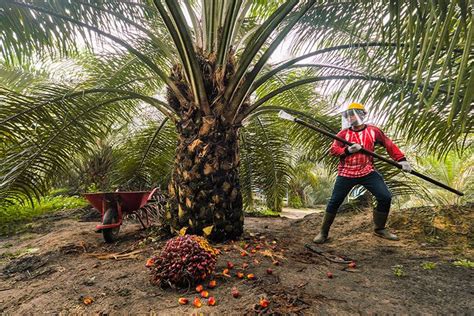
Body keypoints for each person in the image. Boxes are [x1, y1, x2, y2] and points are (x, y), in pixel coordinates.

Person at [313, 102, 411, 244]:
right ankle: (323, 232)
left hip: (367, 172)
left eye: (354, 114)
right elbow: (333, 150)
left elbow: (389, 144)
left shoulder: (373, 131)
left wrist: (402, 160)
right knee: (335, 201)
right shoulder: (343, 134)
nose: (351, 117)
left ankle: (379, 229)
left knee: (385, 197)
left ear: (362, 115)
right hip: (346, 173)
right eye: (348, 115)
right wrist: (347, 150)